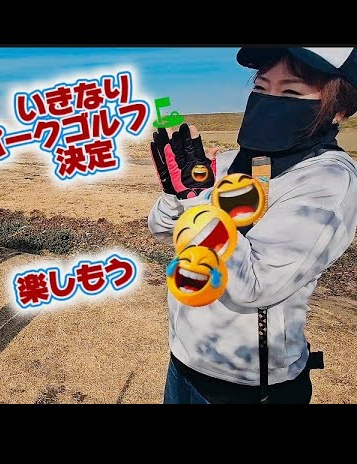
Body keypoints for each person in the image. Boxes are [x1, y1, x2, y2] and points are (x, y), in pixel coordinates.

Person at [148, 47, 357, 404]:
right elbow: (164, 231)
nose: (270, 100)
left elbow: (255, 284)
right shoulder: (232, 162)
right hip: (185, 360)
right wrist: (174, 194)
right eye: (261, 87)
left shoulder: (328, 181)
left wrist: (196, 200)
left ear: (339, 109)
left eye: (291, 91)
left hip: (247, 386)